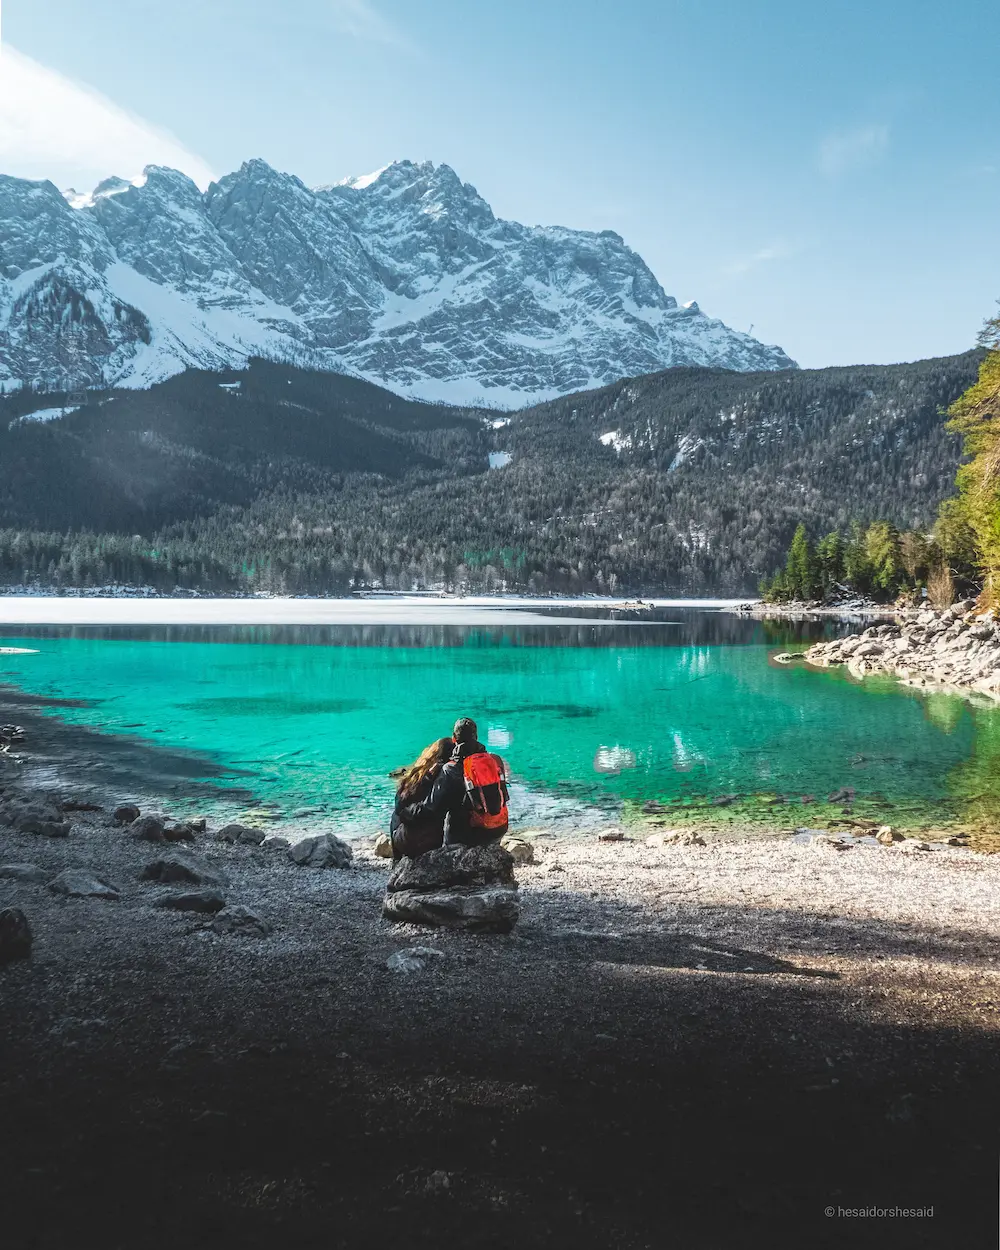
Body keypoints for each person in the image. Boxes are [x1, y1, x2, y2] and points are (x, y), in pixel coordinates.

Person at [397, 717, 509, 848]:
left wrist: (405, 812)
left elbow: (430, 808)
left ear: (454, 739)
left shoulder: (451, 769)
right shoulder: (495, 760)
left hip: (467, 837)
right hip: (499, 828)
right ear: (476, 737)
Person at [388, 737, 453, 861]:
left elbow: (399, 805)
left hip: (413, 842)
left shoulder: (421, 777)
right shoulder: (453, 773)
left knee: (395, 815)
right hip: (438, 840)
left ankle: (397, 859)